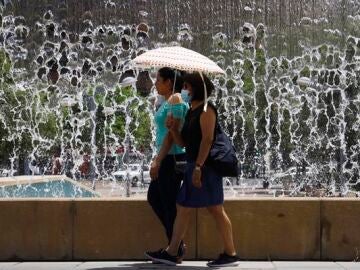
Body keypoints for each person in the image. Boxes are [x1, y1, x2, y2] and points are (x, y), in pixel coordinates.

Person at [146, 72, 239, 267]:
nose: (184, 90)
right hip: (192, 165)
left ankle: (229, 253)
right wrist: (172, 128)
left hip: (205, 168)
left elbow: (208, 140)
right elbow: (184, 143)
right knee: (185, 207)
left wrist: (198, 166)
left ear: (196, 88)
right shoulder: (190, 111)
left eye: (187, 87)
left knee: (214, 209)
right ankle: (173, 251)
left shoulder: (206, 109)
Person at [145, 67, 189, 263]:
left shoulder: (176, 100)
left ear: (169, 82)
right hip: (168, 158)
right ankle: (175, 246)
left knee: (166, 203)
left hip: (171, 158)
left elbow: (172, 138)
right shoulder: (169, 101)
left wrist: (157, 160)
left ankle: (174, 249)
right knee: (156, 198)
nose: (155, 83)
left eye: (159, 80)